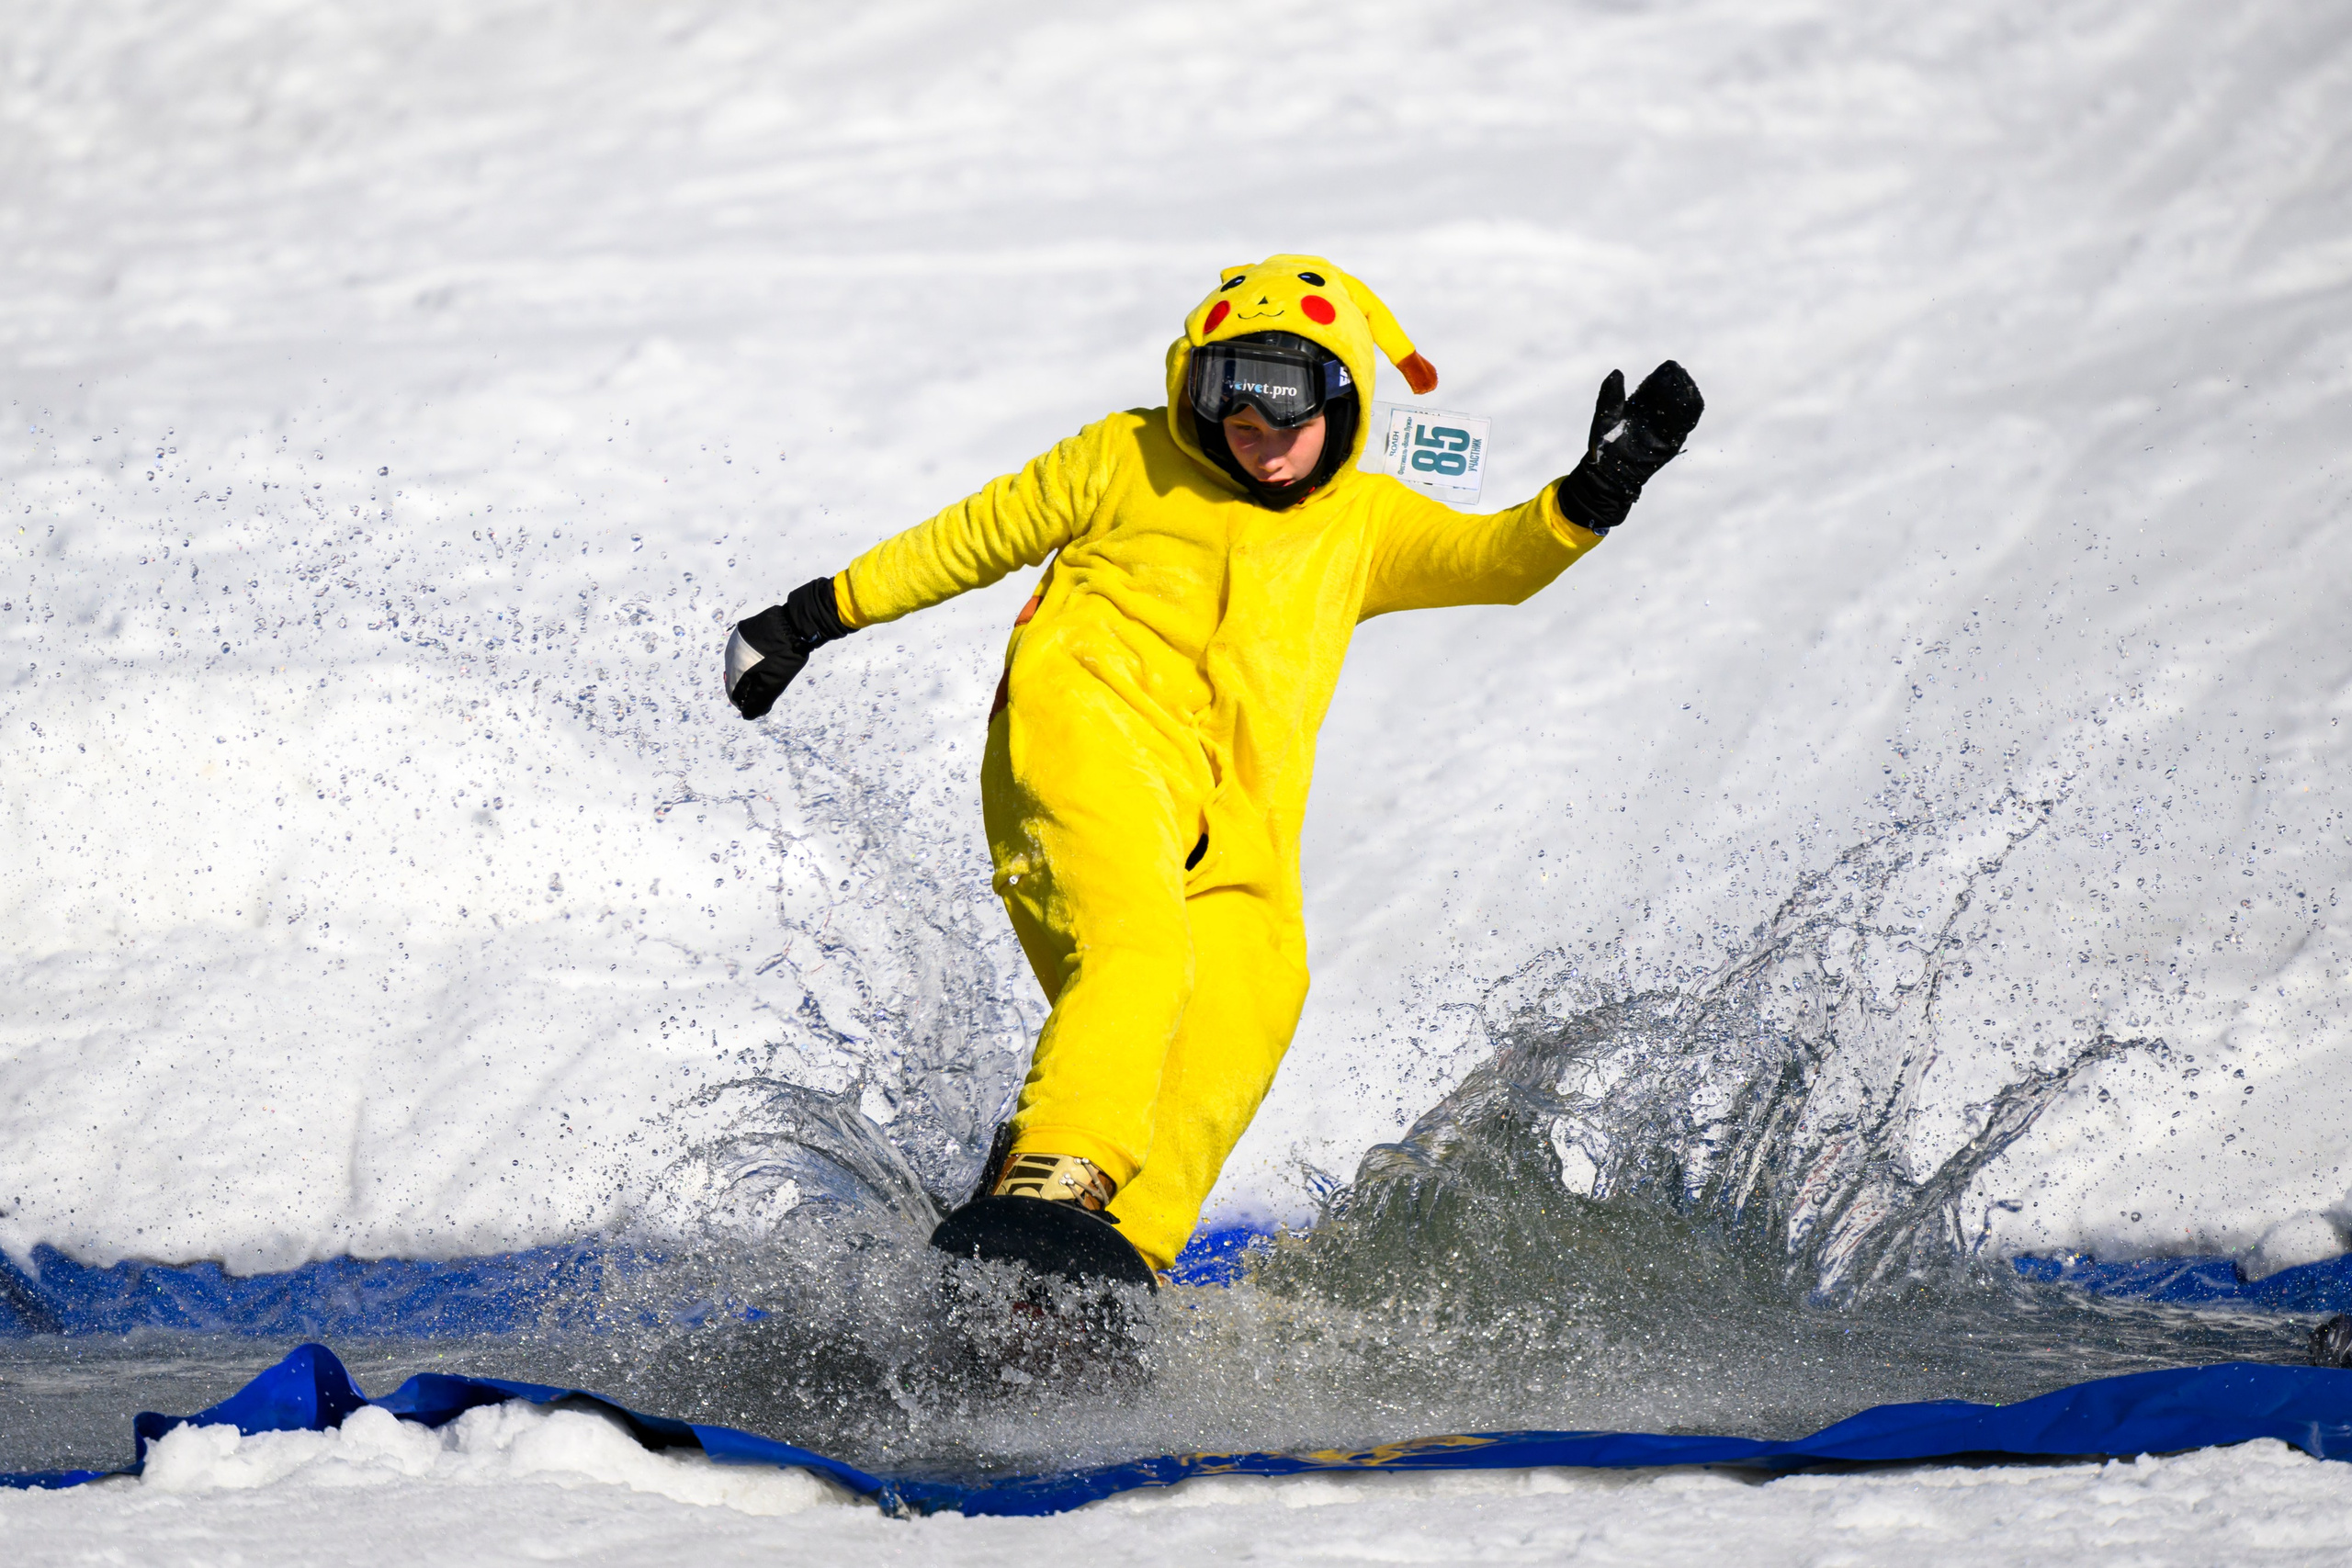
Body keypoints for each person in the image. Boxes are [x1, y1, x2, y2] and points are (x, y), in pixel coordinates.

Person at [725, 255, 1702, 1280]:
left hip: (1233, 816)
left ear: (1343, 404)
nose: (1259, 437)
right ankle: (1052, 1177)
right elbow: (972, 536)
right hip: (1084, 745)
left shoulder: (1361, 523)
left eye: (1287, 415)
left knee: (1253, 995)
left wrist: (1595, 493)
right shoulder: (1125, 457)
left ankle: (1108, 1260)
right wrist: (809, 617)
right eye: (1232, 407)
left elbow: (1494, 560)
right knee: (1139, 950)